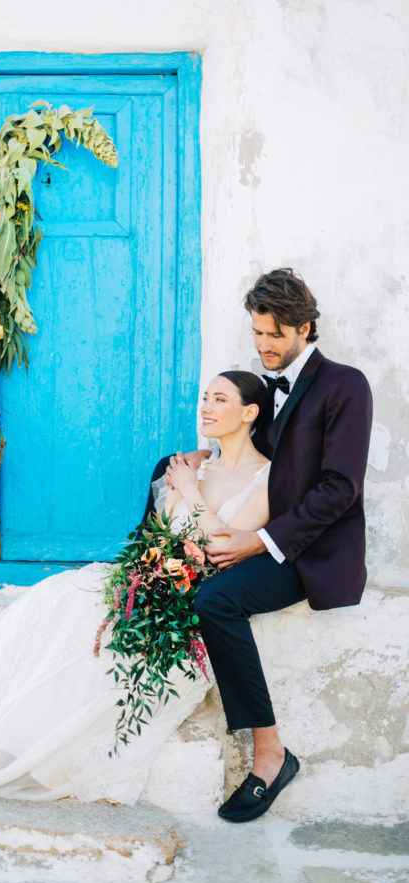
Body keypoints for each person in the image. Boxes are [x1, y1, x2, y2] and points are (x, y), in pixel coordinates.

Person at [0, 371, 271, 806]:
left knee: (97, 639)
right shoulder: (184, 464)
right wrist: (145, 571)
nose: (206, 407)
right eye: (204, 398)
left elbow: (222, 546)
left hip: (190, 603)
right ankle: (5, 732)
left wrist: (189, 491)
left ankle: (32, 748)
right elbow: (151, 537)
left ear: (250, 413)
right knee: (60, 596)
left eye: (220, 399)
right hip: (148, 581)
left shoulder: (266, 478)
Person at [146, 268, 373, 823]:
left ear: (306, 328)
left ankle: (271, 752)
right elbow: (247, 449)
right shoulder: (264, 388)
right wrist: (206, 458)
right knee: (164, 472)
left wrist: (260, 541)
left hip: (309, 552)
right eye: (257, 333)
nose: (264, 345)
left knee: (216, 601)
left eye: (275, 334)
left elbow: (340, 488)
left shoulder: (346, 385)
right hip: (258, 530)